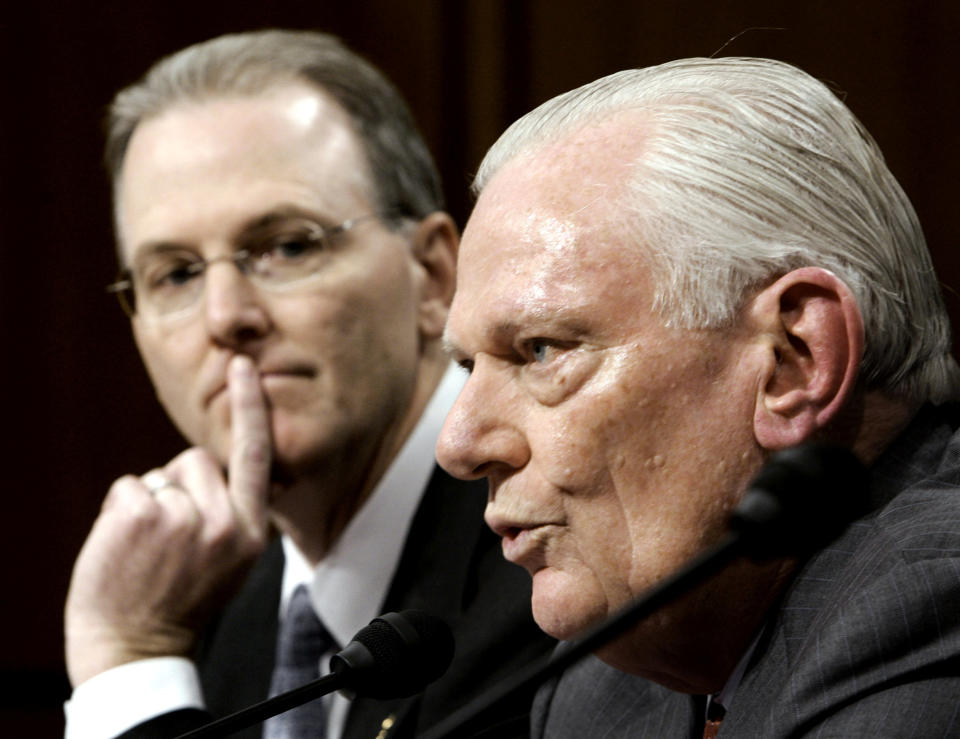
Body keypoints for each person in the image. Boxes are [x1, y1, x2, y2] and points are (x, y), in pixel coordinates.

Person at [435, 56, 960, 737]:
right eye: (467, 364)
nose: (459, 442)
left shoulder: (927, 605)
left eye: (542, 350)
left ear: (794, 361)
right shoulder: (598, 688)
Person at [64, 29, 552, 739]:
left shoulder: (553, 563)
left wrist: (129, 665)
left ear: (435, 276)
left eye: (287, 246)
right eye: (176, 273)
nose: (227, 316)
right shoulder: (202, 606)